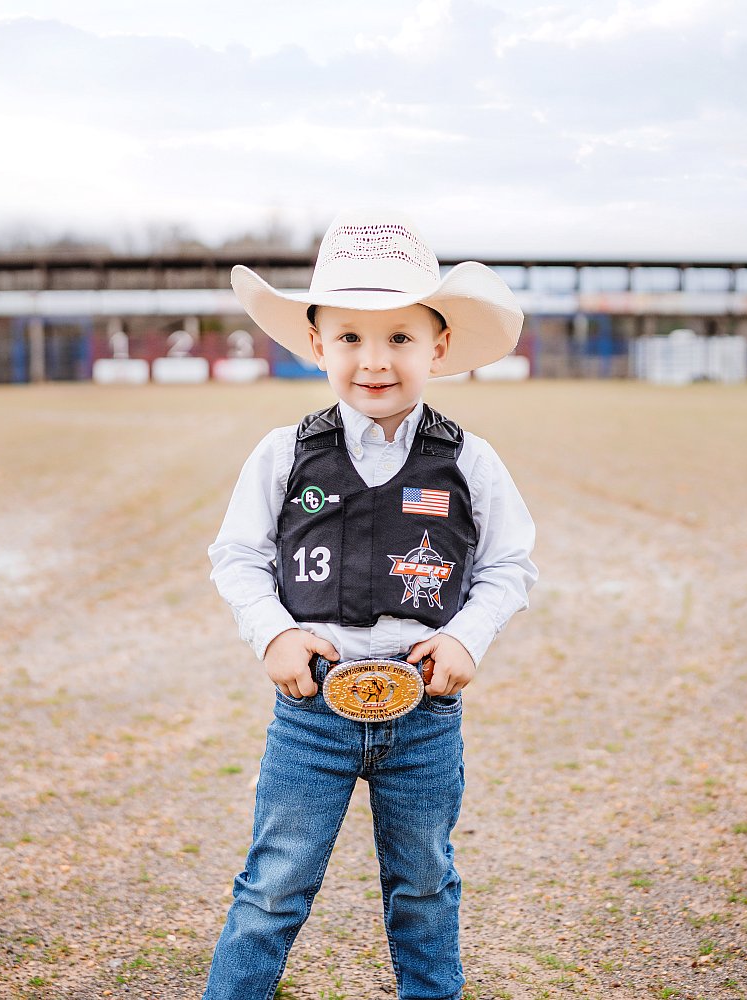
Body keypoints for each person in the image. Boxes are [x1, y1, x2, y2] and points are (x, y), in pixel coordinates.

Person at [203, 209, 538, 1000]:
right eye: (350, 337)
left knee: (423, 888)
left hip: (424, 718)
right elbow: (238, 557)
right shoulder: (284, 453)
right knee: (274, 888)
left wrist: (467, 639)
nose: (375, 361)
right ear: (317, 343)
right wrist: (274, 634)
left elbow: (509, 564)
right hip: (312, 712)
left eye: (399, 338)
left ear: (439, 346)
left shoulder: (470, 461)